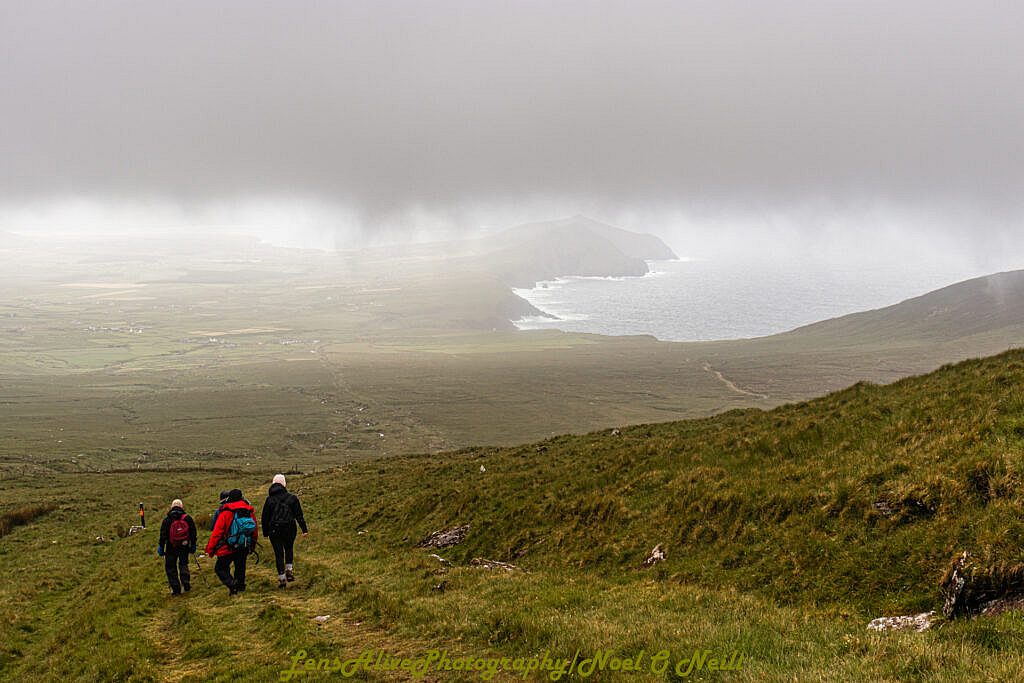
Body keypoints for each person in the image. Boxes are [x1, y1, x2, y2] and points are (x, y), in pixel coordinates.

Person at [205, 488, 258, 595]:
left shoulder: (226, 512)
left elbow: (217, 533)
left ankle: (232, 585)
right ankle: (240, 587)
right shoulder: (248, 511)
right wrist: (252, 545)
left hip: (227, 546)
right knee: (240, 566)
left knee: (220, 568)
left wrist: (210, 549)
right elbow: (254, 529)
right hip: (243, 545)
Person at [261, 474, 309, 588]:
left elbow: (265, 517)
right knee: (289, 548)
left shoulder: (269, 499)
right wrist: (304, 529)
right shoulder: (292, 498)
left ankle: (282, 578)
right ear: (284, 484)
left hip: (274, 529)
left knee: (278, 554)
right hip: (290, 528)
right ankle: (289, 570)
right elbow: (299, 515)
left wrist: (265, 532)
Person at [157, 498, 197, 595]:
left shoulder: (167, 520)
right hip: (184, 546)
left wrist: (161, 547)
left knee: (171, 567)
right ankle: (186, 582)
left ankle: (176, 589)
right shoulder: (187, 518)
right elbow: (193, 532)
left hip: (171, 547)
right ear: (182, 506)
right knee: (183, 563)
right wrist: (193, 545)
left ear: (171, 507)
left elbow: (163, 535)